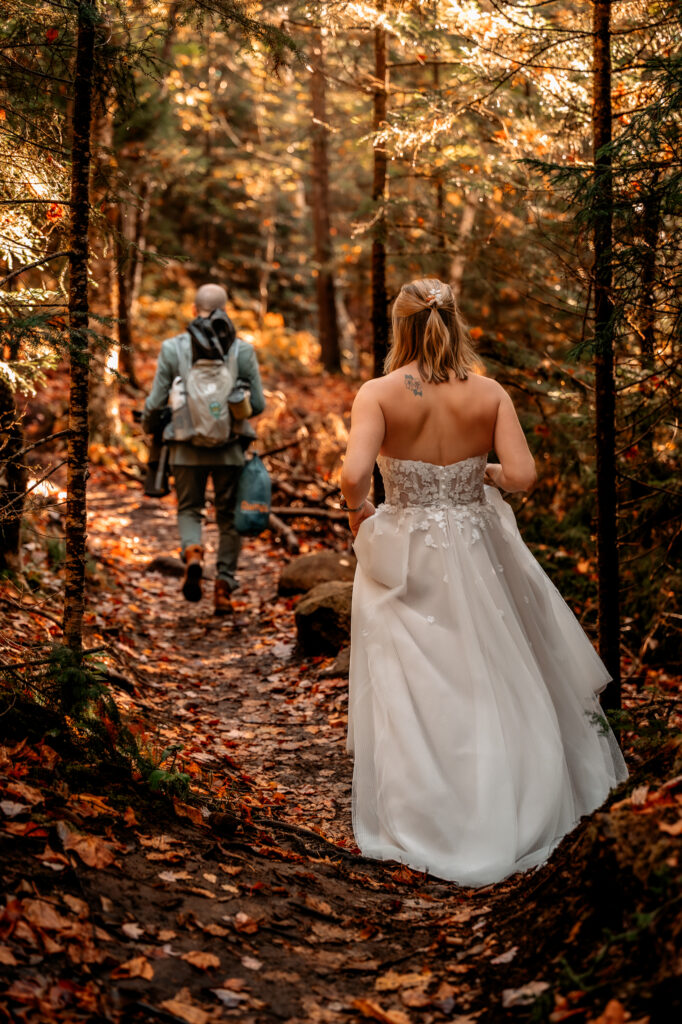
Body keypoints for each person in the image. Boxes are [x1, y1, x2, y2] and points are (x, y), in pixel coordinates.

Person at [340, 277, 627, 887]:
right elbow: (522, 476)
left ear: (401, 327)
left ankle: (429, 819)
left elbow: (353, 475)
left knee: (413, 683)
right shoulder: (489, 391)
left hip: (407, 552)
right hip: (477, 546)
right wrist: (481, 473)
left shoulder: (379, 392)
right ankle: (512, 804)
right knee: (496, 674)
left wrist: (360, 512)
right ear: (455, 321)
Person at [143, 283, 265, 615]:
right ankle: (224, 587)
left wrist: (149, 427)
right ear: (226, 308)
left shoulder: (173, 348)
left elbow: (155, 402)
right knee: (227, 519)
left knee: (189, 509)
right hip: (230, 449)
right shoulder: (241, 350)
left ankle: (194, 553)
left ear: (194, 308)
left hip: (184, 447)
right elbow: (257, 404)